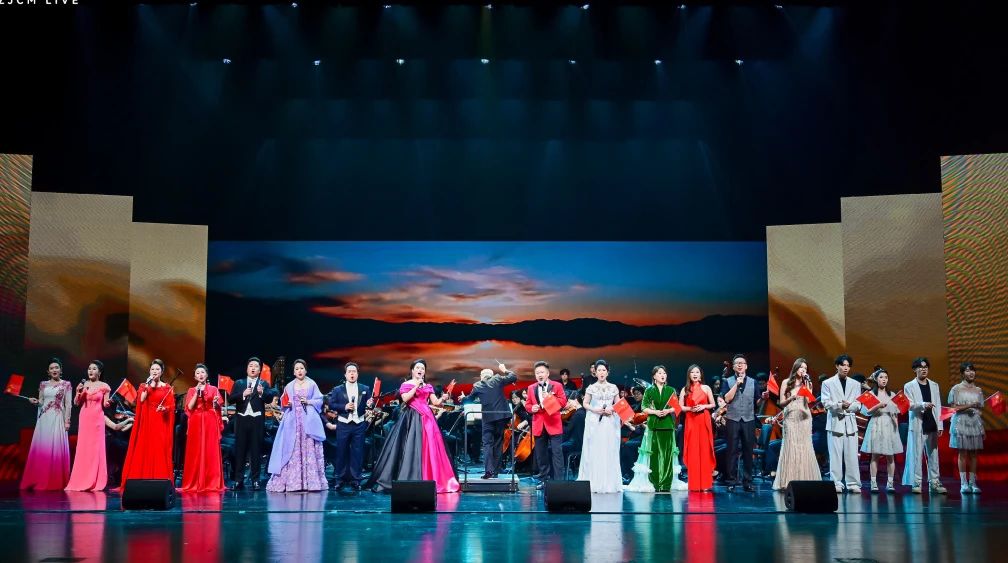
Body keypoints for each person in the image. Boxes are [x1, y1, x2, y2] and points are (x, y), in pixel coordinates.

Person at [368, 359, 460, 493]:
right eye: (418, 368)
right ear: (412, 370)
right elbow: (405, 399)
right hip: (412, 416)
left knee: (430, 446)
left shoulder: (428, 386)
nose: (420, 370)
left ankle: (432, 477)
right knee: (410, 445)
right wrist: (416, 386)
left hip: (427, 417)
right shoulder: (406, 384)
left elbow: (435, 402)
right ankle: (410, 475)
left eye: (422, 368)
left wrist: (443, 399)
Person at [266, 359, 327, 492]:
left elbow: (319, 400)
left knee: (308, 447)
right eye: (297, 369)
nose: (299, 371)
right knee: (291, 449)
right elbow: (283, 402)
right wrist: (286, 404)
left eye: (301, 368)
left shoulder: (312, 384)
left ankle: (310, 482)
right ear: (294, 372)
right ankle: (293, 482)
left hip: (308, 420)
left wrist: (309, 401)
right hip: (292, 420)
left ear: (306, 370)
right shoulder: (289, 386)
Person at [21, 358, 73, 490]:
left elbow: (68, 405)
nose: (54, 370)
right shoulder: (43, 384)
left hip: (57, 418)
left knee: (55, 448)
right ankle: (40, 478)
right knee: (43, 449)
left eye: (56, 367)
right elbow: (41, 402)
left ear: (60, 370)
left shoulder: (66, 384)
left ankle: (55, 480)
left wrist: (67, 421)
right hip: (44, 419)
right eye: (51, 368)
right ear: (48, 371)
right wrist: (35, 402)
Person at [120, 359, 176, 483]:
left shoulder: (167, 388)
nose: (154, 371)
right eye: (152, 369)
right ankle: (143, 479)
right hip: (147, 421)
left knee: (159, 448)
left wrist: (164, 408)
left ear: (162, 372)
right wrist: (147, 385)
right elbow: (141, 400)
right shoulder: (143, 386)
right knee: (145, 448)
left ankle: (159, 480)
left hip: (160, 421)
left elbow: (171, 406)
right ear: (149, 371)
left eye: (157, 369)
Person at [771, 358, 822, 491]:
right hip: (791, 416)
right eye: (801, 367)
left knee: (805, 446)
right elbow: (781, 403)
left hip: (804, 417)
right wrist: (791, 398)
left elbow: (809, 402)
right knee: (790, 446)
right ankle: (788, 480)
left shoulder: (807, 383)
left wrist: (808, 386)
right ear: (796, 368)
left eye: (805, 368)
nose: (803, 370)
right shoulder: (786, 382)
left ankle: (805, 479)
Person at [228, 357, 276, 490]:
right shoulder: (239, 383)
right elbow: (231, 399)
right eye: (251, 366)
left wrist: (262, 393)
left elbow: (269, 398)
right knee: (240, 451)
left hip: (256, 421)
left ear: (259, 370)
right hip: (242, 420)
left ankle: (255, 480)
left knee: (256, 451)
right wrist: (242, 394)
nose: (253, 368)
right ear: (247, 368)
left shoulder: (263, 383)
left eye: (256, 366)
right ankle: (238, 480)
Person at [577, 360, 623, 493]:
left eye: (604, 370)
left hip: (609, 421)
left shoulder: (613, 387)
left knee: (609, 449)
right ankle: (594, 482)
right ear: (595, 372)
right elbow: (585, 403)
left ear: (608, 372)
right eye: (599, 370)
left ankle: (609, 483)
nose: (601, 372)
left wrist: (611, 409)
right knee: (595, 449)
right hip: (595, 421)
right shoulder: (591, 387)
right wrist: (595, 409)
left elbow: (618, 404)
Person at [325, 361, 373, 492]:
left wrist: (370, 403)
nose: (352, 374)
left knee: (358, 452)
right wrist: (344, 407)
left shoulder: (365, 388)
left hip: (359, 424)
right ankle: (339, 479)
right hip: (343, 424)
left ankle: (356, 480)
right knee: (341, 452)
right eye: (349, 371)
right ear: (345, 374)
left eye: (354, 371)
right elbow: (331, 405)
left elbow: (370, 404)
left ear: (357, 374)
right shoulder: (337, 389)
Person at [902, 357, 947, 494]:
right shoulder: (909, 386)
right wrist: (923, 405)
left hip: (932, 421)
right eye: (921, 367)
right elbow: (908, 405)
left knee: (933, 454)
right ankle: (916, 483)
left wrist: (940, 425)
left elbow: (938, 405)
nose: (924, 369)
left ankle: (935, 482)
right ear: (915, 369)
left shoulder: (934, 385)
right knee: (916, 454)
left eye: (926, 367)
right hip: (918, 422)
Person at [66, 360, 112, 491]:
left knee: (95, 449)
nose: (90, 371)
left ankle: (95, 479)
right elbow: (76, 403)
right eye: (89, 369)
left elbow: (105, 404)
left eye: (94, 369)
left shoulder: (104, 386)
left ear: (99, 372)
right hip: (85, 418)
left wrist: (109, 403)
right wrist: (78, 392)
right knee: (84, 448)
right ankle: (81, 478)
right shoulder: (84, 385)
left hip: (97, 419)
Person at [466, 363, 517, 479]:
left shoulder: (477, 385)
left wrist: (463, 398)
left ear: (481, 376)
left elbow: (469, 400)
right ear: (491, 375)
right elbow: (513, 377)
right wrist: (504, 370)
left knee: (487, 444)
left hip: (488, 418)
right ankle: (496, 471)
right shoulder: (497, 379)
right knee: (498, 443)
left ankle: (489, 471)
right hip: (501, 417)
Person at [821, 354, 863, 493]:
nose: (846, 368)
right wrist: (840, 405)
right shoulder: (827, 383)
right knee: (835, 455)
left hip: (850, 422)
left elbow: (858, 404)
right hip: (835, 422)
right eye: (843, 365)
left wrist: (849, 406)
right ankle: (836, 483)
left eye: (848, 366)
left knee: (852, 455)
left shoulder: (855, 384)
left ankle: (853, 483)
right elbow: (826, 403)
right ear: (837, 366)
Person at [181, 363, 225, 492]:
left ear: (206, 375)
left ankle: (211, 481)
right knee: (196, 451)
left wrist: (216, 403)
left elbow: (218, 407)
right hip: (196, 422)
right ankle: (194, 481)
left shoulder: (214, 389)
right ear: (195, 377)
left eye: (202, 372)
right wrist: (197, 393)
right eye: (198, 373)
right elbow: (189, 407)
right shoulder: (191, 390)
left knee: (210, 450)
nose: (200, 375)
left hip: (210, 421)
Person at [525, 361, 569, 490]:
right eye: (537, 373)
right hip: (539, 424)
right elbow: (528, 404)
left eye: (542, 372)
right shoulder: (531, 388)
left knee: (557, 454)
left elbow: (563, 402)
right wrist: (531, 408)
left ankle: (559, 483)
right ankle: (544, 481)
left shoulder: (557, 386)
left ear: (547, 373)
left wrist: (549, 398)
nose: (540, 375)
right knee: (541, 455)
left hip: (553, 423)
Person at [643, 365, 686, 492]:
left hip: (667, 424)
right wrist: (655, 412)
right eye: (660, 373)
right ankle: (655, 483)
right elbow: (644, 407)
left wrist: (668, 411)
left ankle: (666, 484)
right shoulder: (649, 390)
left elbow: (676, 407)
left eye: (664, 373)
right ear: (654, 376)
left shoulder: (670, 390)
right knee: (654, 455)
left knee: (667, 455)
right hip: (654, 424)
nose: (662, 375)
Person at [719, 355, 759, 493]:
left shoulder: (753, 382)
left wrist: (763, 398)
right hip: (733, 419)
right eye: (737, 363)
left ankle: (747, 482)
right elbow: (727, 399)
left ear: (746, 366)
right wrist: (737, 384)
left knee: (748, 451)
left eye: (742, 363)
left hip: (748, 420)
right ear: (734, 367)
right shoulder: (728, 381)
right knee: (732, 451)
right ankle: (731, 481)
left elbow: (757, 402)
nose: (740, 365)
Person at [859, 366, 902, 493]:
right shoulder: (871, 394)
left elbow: (895, 413)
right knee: (875, 455)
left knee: (890, 456)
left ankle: (890, 483)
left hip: (889, 425)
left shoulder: (892, 395)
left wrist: (896, 426)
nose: (884, 379)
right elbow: (866, 412)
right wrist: (877, 405)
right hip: (876, 424)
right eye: (881, 377)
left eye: (886, 377)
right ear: (876, 379)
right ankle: (873, 483)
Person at [948, 361, 984, 494]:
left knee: (974, 454)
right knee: (962, 453)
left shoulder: (978, 390)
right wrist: (969, 406)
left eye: (972, 370)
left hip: (974, 423)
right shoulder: (956, 389)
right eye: (968, 370)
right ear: (962, 374)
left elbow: (980, 408)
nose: (971, 373)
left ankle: (973, 483)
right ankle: (963, 483)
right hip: (961, 423)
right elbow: (953, 407)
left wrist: (977, 410)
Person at [680, 364, 716, 492]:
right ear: (689, 375)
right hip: (691, 420)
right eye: (692, 372)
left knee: (704, 450)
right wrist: (690, 409)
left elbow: (713, 404)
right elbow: (680, 407)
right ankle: (695, 485)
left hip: (703, 419)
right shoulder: (685, 389)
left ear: (700, 375)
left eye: (697, 372)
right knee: (693, 450)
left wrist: (703, 406)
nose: (695, 374)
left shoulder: (706, 388)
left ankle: (706, 484)